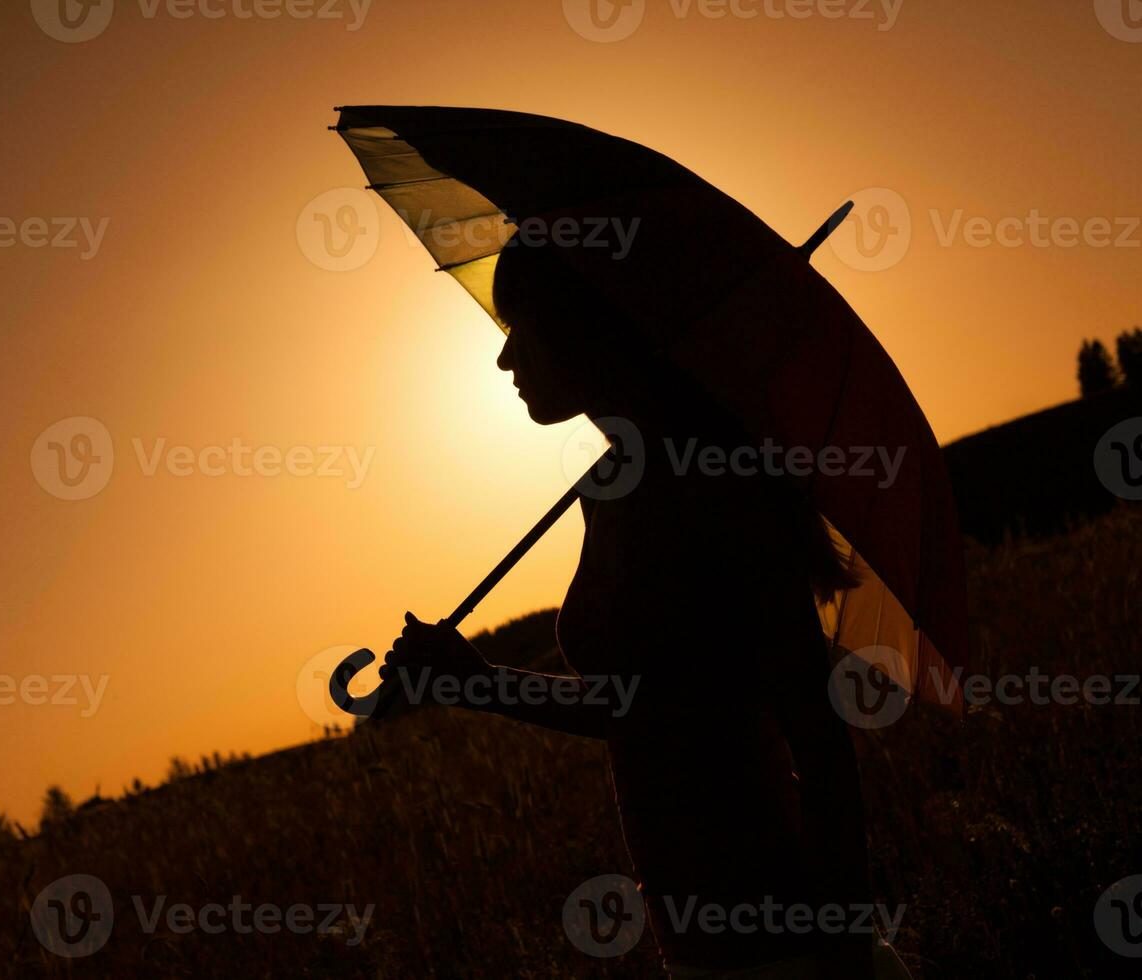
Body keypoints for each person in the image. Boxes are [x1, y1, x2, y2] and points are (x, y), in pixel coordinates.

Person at [383, 232, 911, 978]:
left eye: (519, 332)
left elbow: (814, 733)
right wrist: (475, 681)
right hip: (696, 937)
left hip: (779, 938)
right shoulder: (611, 488)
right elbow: (642, 710)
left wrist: (845, 948)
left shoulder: (710, 482)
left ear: (584, 329)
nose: (504, 360)